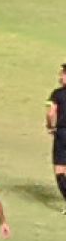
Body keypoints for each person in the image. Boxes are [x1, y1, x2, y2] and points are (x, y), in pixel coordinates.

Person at [47, 64, 66, 213]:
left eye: (62, 74)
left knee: (60, 169)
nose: (60, 77)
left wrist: (51, 126)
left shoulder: (57, 94)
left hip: (62, 133)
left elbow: (51, 113)